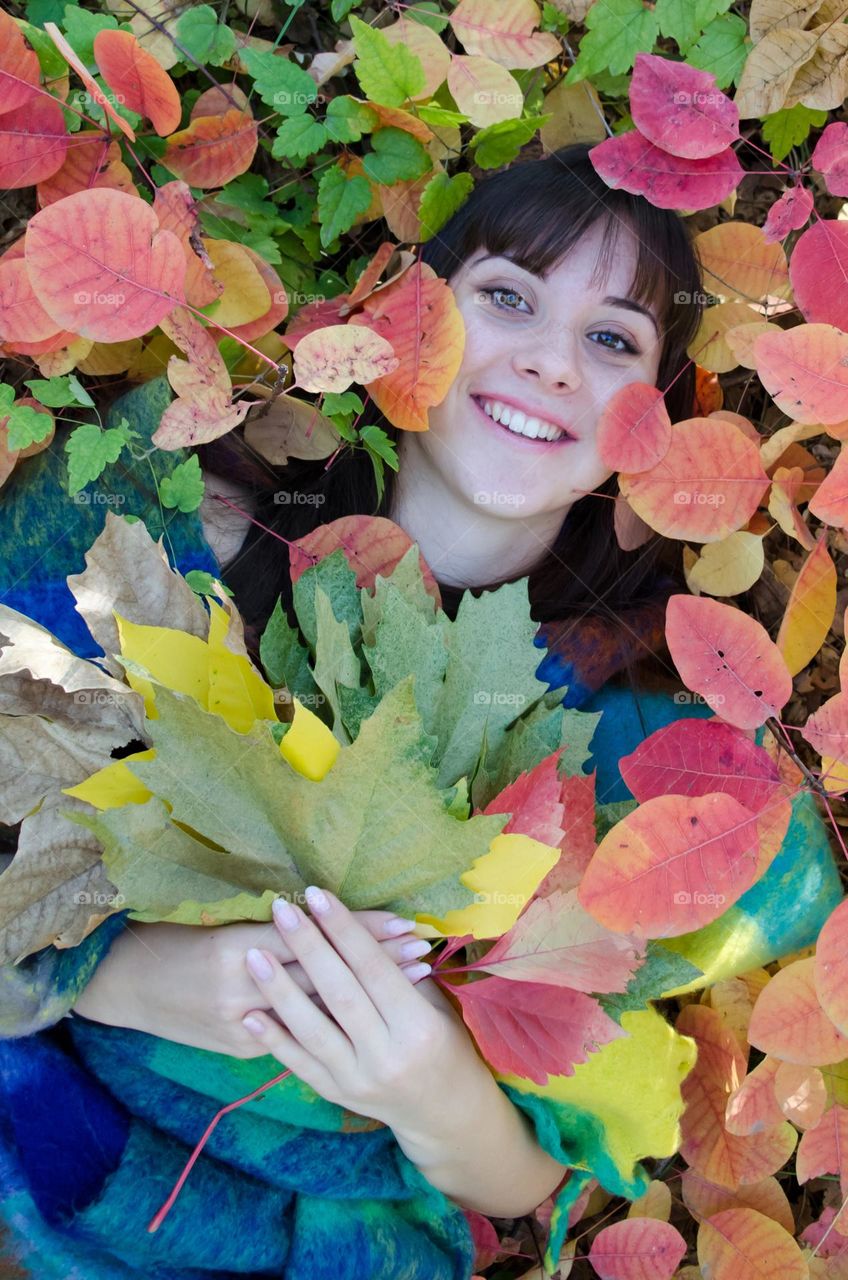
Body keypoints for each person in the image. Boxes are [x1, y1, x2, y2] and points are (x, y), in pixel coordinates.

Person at [0, 143, 841, 1280]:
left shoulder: (648, 741)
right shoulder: (168, 506)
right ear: (405, 317)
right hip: (63, 1158)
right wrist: (114, 969)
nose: (550, 363)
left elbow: (533, 1172)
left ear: (648, 435)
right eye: (507, 297)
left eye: (611, 340)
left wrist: (430, 1087)